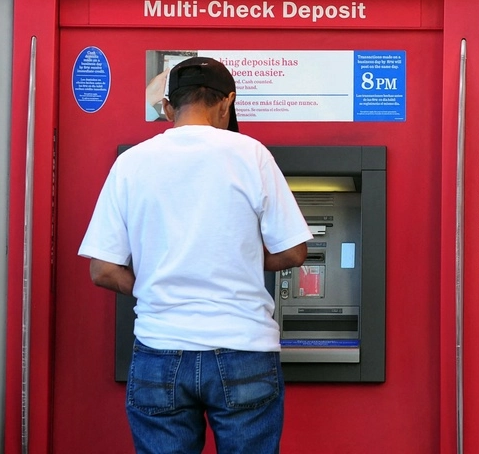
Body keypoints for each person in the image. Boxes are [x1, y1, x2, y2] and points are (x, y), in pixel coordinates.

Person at [78, 56, 311, 454]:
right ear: (227, 102)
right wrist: (239, 260)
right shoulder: (251, 154)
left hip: (159, 348)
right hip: (244, 348)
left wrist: (155, 282)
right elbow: (293, 251)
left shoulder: (131, 164)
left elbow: (102, 270)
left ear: (169, 107)